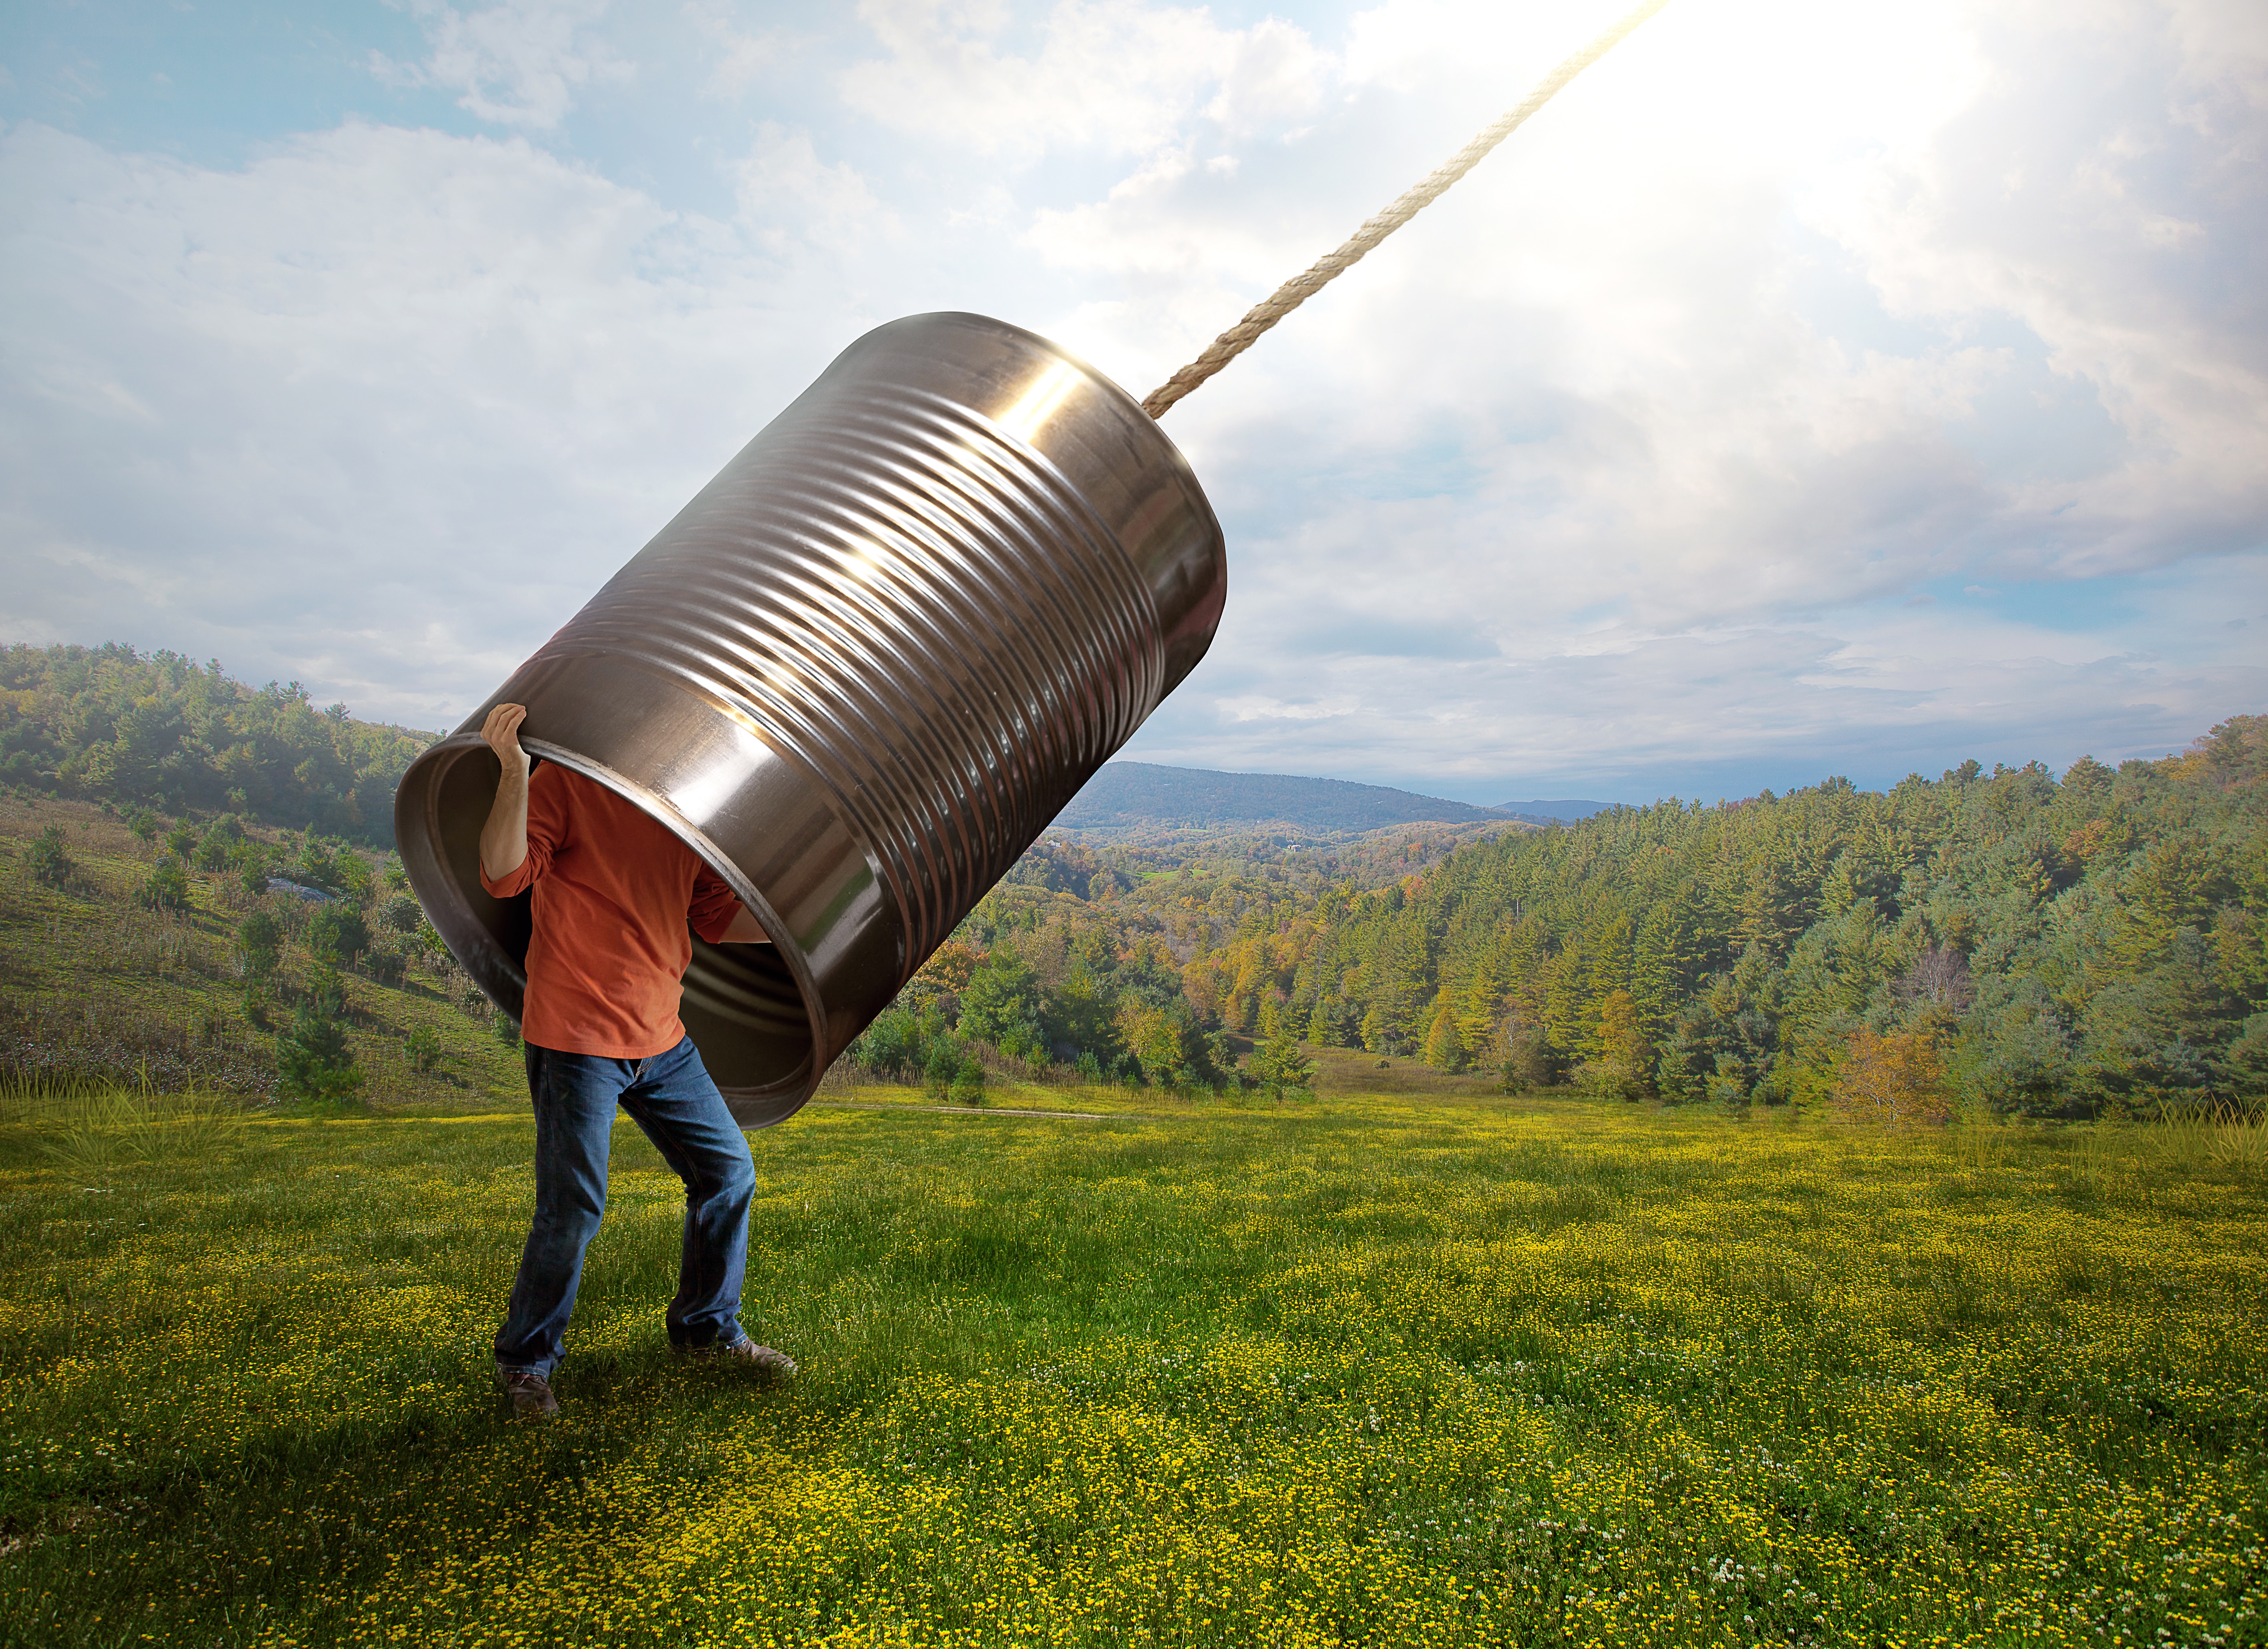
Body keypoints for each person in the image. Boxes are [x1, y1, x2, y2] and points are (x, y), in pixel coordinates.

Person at [476, 701, 795, 1419]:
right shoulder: (570, 783)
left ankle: (707, 1333)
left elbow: (717, 917)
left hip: (662, 1040)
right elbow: (503, 875)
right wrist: (514, 772)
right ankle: (526, 1364)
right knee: (574, 1209)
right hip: (575, 1036)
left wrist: (801, 912)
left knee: (728, 1173)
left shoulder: (691, 810)